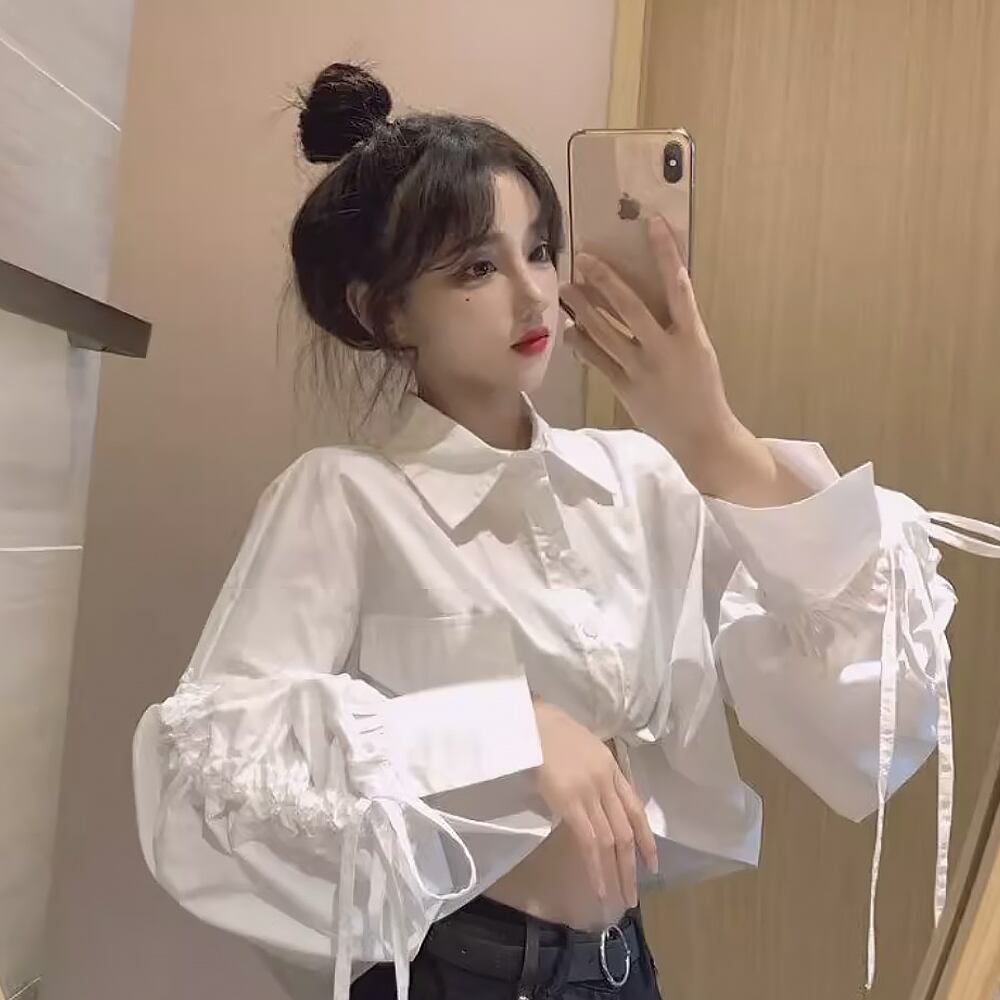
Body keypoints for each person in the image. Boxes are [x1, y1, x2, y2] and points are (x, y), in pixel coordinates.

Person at [131, 62, 999, 1000]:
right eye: (477, 267)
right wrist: (509, 730)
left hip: (617, 970)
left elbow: (869, 704)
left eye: (540, 250)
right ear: (383, 311)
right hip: (451, 971)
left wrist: (712, 438)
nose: (533, 292)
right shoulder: (344, 496)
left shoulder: (638, 483)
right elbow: (214, 762)